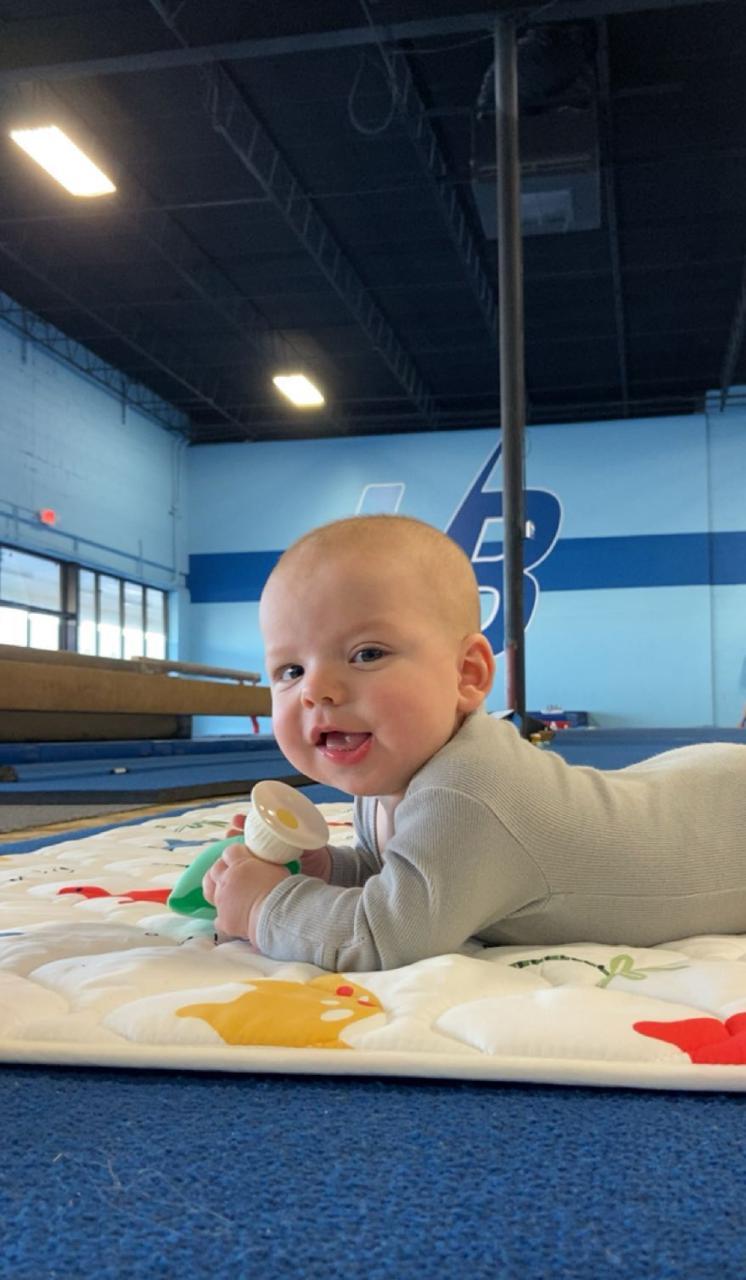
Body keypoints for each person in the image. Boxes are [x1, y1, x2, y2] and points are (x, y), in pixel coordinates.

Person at [203, 514, 746, 971]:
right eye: (291, 670)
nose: (316, 690)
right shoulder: (390, 778)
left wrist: (264, 905)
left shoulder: (466, 791)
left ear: (467, 674)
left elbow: (385, 934)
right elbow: (405, 877)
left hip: (728, 818)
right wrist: (326, 869)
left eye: (367, 654)